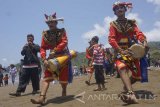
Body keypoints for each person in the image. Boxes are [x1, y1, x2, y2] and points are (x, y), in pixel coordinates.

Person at [108, 1, 148, 104]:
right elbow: (111, 39)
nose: (119, 9)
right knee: (122, 67)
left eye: (121, 7)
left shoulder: (132, 23)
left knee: (137, 76)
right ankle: (131, 94)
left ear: (125, 9)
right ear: (115, 13)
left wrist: (143, 41)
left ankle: (126, 87)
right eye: (117, 8)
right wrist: (120, 50)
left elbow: (138, 33)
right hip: (121, 52)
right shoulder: (113, 25)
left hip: (132, 52)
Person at [31, 12, 73, 105]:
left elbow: (64, 42)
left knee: (63, 78)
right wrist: (44, 59)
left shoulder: (62, 31)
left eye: (52, 22)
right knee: (47, 77)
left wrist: (55, 50)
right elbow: (42, 47)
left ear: (56, 23)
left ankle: (64, 90)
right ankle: (42, 97)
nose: (50, 24)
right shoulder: (45, 34)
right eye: (48, 23)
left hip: (63, 56)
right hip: (51, 58)